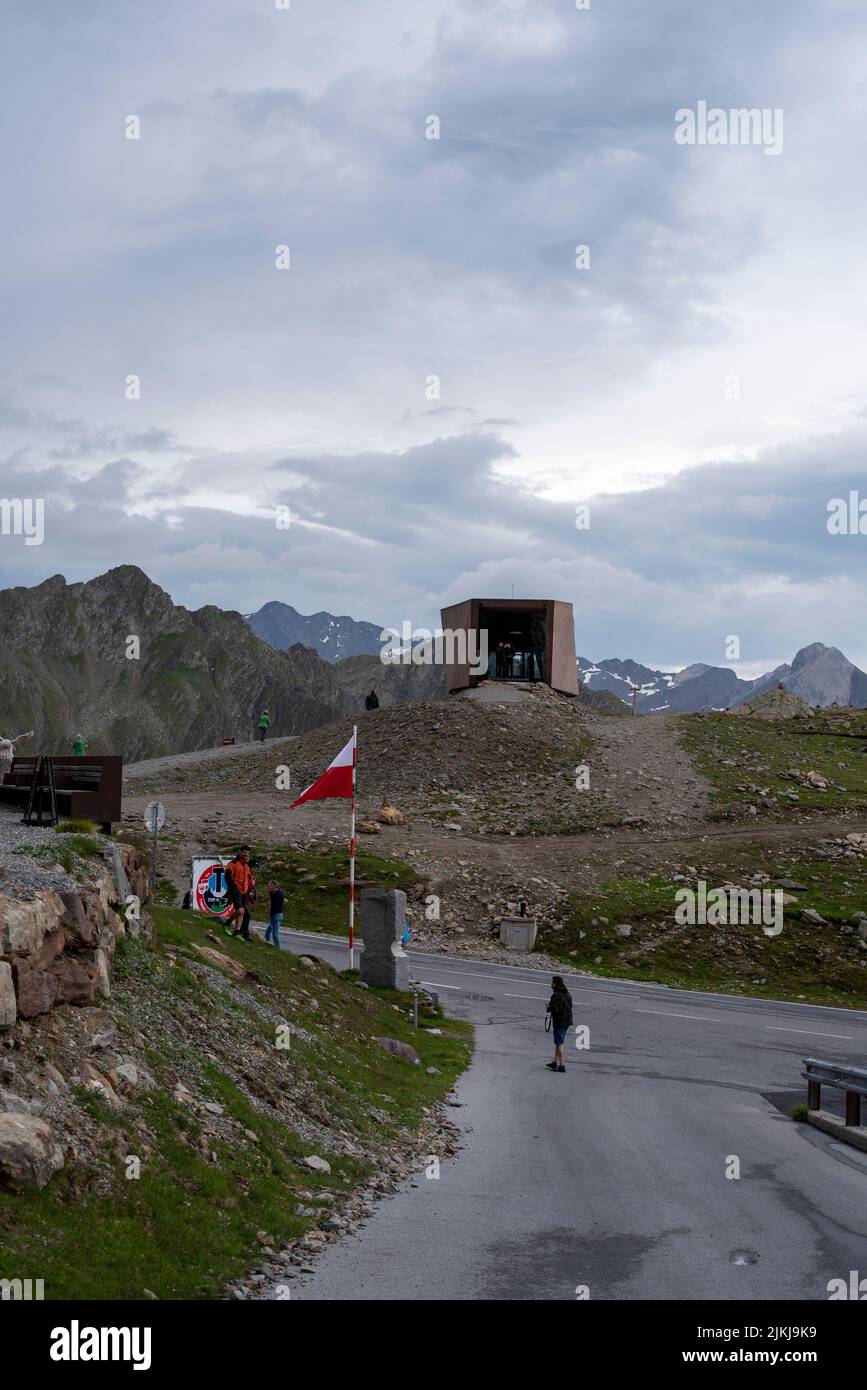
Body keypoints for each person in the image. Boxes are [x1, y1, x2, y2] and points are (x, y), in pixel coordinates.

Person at [224, 846, 253, 939]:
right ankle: (227, 924)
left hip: (244, 891)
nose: (246, 855)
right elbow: (227, 877)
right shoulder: (233, 863)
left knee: (242, 912)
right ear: (240, 852)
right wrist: (234, 888)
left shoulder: (246, 865)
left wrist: (250, 890)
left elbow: (248, 878)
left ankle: (237, 932)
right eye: (244, 852)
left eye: (248, 853)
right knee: (240, 910)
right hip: (235, 891)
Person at [546, 975, 573, 1073]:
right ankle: (554, 1061)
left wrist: (549, 1007)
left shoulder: (557, 995)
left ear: (555, 984)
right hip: (567, 1021)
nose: (550, 984)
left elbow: (555, 1009)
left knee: (559, 1043)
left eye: (552, 982)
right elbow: (570, 1005)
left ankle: (562, 1065)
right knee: (558, 1042)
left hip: (559, 1022)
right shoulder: (567, 993)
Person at [265, 879, 284, 948]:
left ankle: (278, 948)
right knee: (268, 931)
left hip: (276, 915)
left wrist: (271, 911)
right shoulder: (273, 893)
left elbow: (277, 905)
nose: (268, 886)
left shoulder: (278, 894)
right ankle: (266, 942)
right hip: (277, 915)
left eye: (269, 885)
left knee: (275, 933)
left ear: (274, 886)